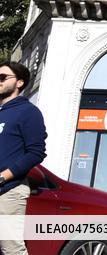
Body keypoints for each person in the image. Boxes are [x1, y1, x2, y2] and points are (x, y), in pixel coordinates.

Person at [0, 60, 47, 255]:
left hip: (8, 191)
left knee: (11, 249)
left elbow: (36, 152)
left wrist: (4, 176)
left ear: (19, 82)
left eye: (3, 77)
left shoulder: (29, 112)